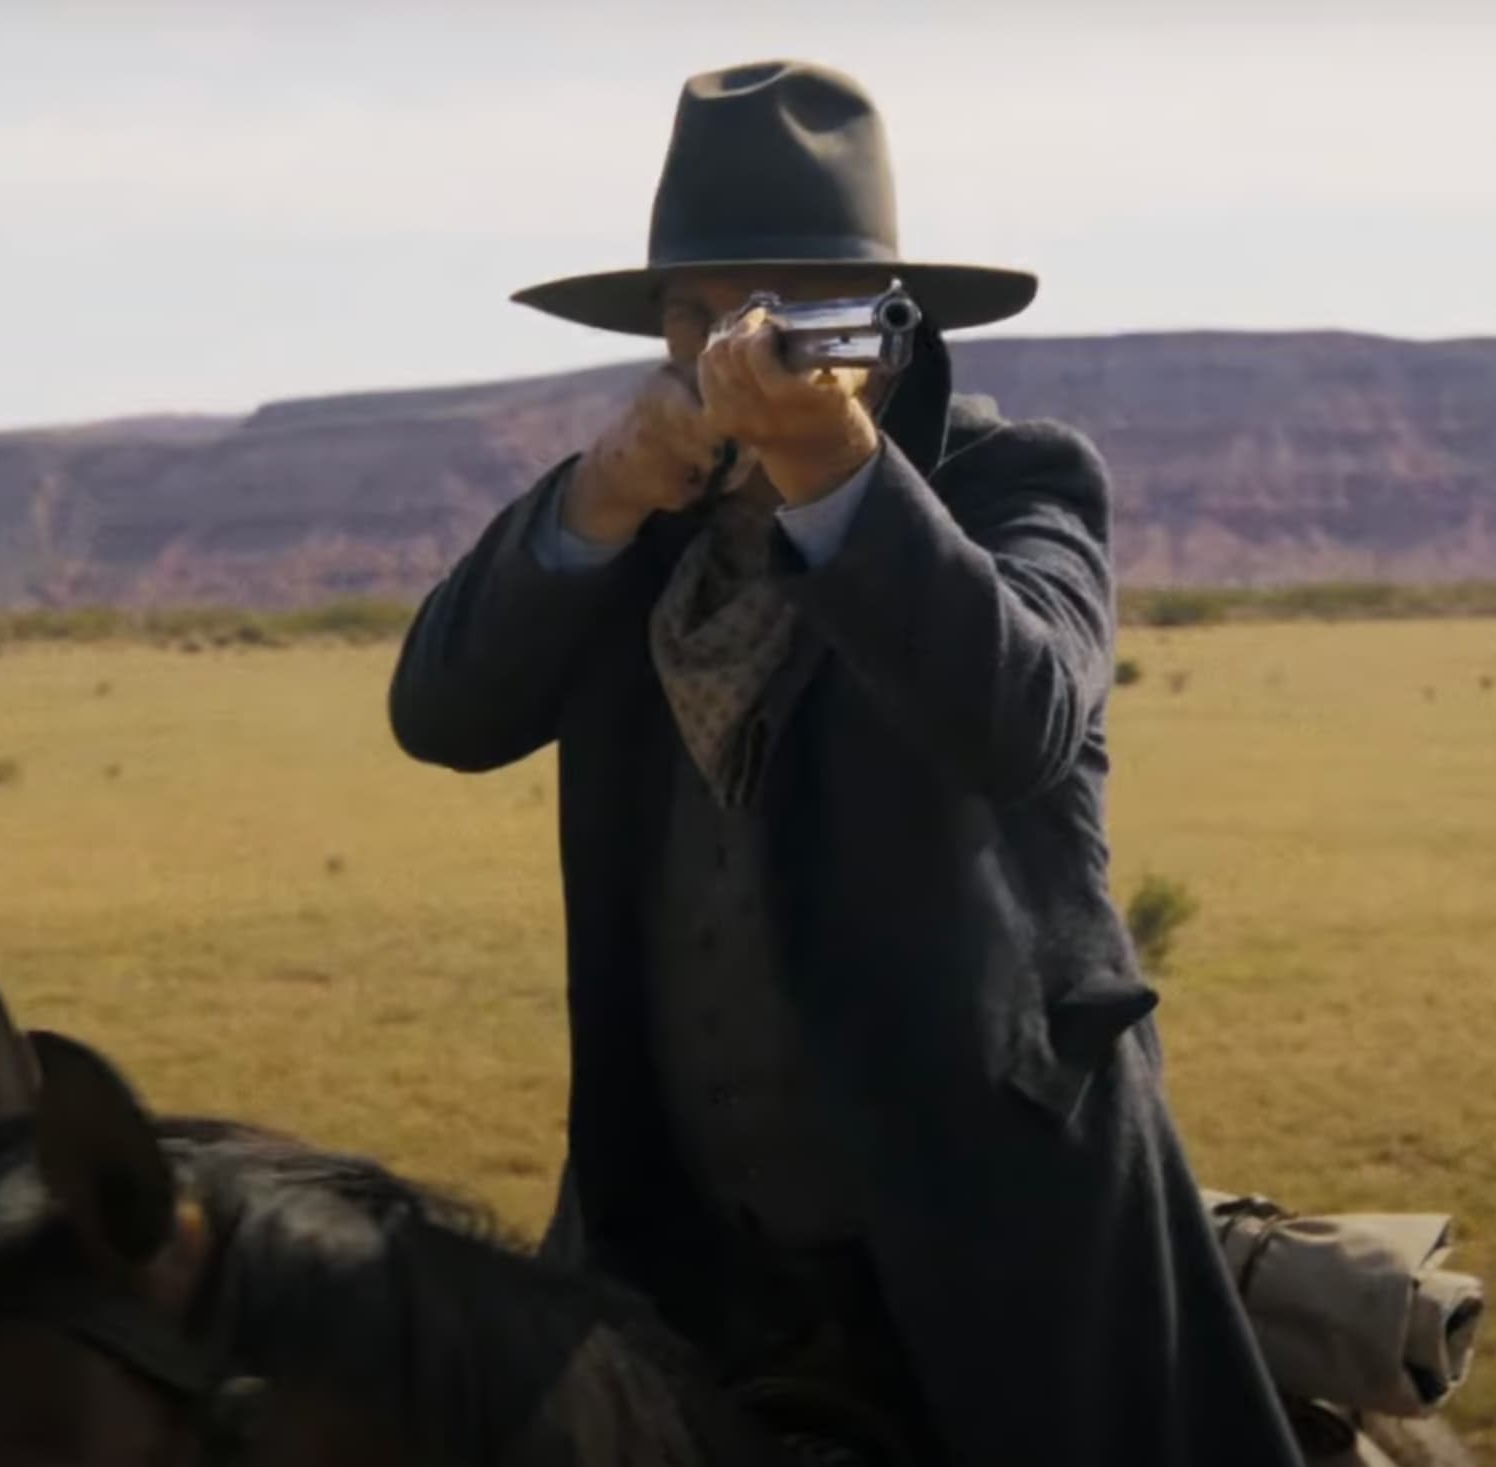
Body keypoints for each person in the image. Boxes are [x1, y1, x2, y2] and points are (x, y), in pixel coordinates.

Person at [389, 59, 1306, 1467]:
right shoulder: (640, 513)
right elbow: (443, 714)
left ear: (884, 323)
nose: (733, 357)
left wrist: (837, 472)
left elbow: (1016, 720)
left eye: (781, 315)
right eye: (696, 319)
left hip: (993, 1238)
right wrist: (598, 497)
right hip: (681, 1245)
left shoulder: (1014, 485)